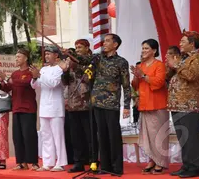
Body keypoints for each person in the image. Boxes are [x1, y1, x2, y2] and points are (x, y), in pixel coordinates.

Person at [79, 33, 131, 175]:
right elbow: (82, 59)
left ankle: (117, 168)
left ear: (115, 44)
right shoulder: (97, 58)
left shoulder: (121, 62)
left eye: (108, 41)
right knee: (101, 135)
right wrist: (67, 53)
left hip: (111, 103)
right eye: (104, 41)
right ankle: (105, 166)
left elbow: (126, 85)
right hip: (97, 102)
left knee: (113, 136)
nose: (104, 43)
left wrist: (126, 106)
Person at [167, 31, 199, 178]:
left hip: (190, 104)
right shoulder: (184, 59)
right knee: (183, 137)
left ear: (192, 44)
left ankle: (195, 167)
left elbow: (191, 76)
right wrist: (171, 65)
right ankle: (186, 165)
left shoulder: (198, 59)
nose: (180, 44)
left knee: (192, 136)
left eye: (183, 42)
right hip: (177, 104)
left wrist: (176, 64)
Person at [131, 39, 169, 174]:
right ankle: (152, 160)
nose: (143, 51)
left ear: (154, 51)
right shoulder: (140, 66)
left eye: (146, 48)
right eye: (142, 48)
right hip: (144, 104)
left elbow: (159, 83)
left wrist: (144, 76)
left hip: (158, 104)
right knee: (147, 136)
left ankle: (161, 162)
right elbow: (135, 86)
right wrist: (136, 77)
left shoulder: (159, 65)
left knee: (158, 135)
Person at [0, 49, 39, 171]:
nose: (16, 59)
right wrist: (2, 81)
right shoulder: (14, 74)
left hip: (28, 108)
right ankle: (21, 162)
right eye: (16, 57)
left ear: (26, 58)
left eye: (19, 57)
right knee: (17, 136)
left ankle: (34, 162)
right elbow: (8, 88)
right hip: (16, 108)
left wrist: (13, 81)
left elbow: (27, 83)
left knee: (29, 136)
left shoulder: (31, 71)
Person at [30, 46, 69, 172]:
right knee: (46, 135)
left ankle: (61, 162)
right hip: (44, 106)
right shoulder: (44, 69)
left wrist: (39, 75)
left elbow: (53, 83)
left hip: (56, 107)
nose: (46, 56)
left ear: (56, 55)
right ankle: (48, 162)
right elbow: (35, 85)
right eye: (45, 54)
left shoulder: (60, 69)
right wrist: (35, 77)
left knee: (58, 135)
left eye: (49, 54)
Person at [62, 39, 98, 173]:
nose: (77, 50)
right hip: (73, 105)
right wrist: (66, 71)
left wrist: (76, 66)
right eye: (76, 47)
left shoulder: (91, 61)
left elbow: (90, 78)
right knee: (76, 136)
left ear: (87, 48)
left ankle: (93, 161)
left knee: (90, 136)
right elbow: (65, 83)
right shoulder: (70, 62)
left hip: (87, 104)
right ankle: (78, 162)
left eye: (80, 47)